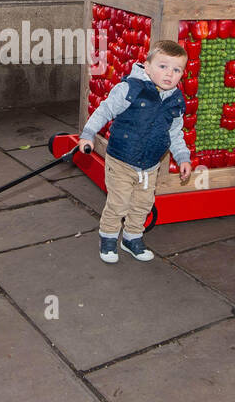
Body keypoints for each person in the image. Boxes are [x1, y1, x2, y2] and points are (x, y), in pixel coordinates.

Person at [78, 40, 192, 262]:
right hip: (121, 158)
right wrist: (88, 134)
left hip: (150, 164)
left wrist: (182, 157)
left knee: (143, 203)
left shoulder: (176, 101)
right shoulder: (130, 89)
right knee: (119, 202)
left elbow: (175, 133)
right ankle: (108, 238)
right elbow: (104, 111)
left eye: (176, 69)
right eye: (163, 66)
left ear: (182, 74)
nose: (169, 74)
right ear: (146, 66)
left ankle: (132, 238)